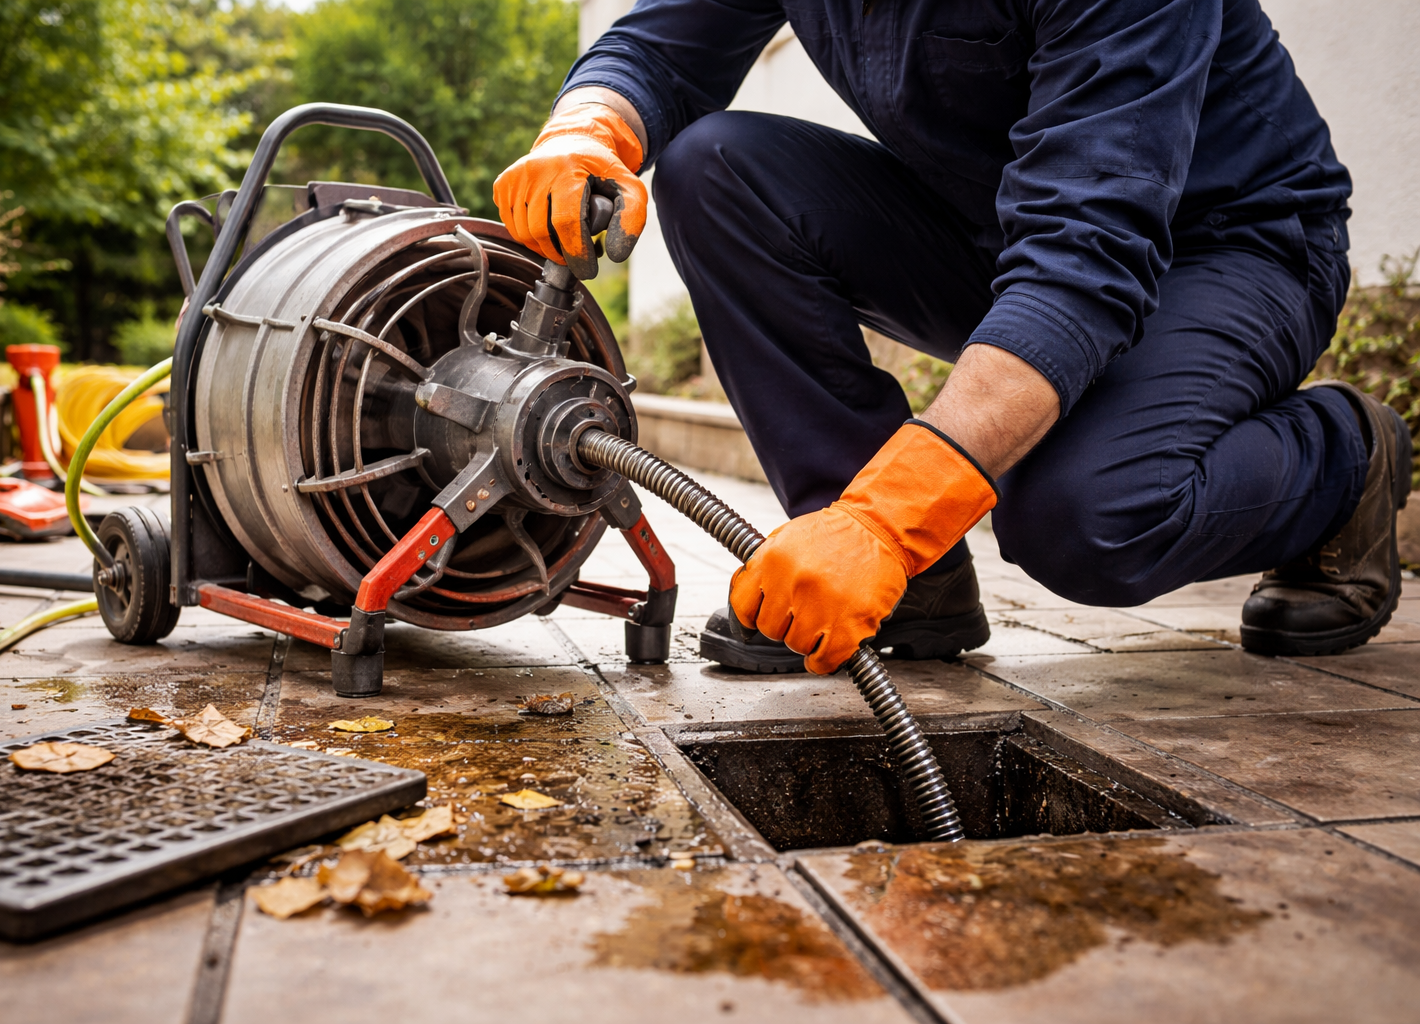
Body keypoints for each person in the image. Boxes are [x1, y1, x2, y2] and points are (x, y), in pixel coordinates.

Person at [494, 0, 1412, 676]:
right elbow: (664, 43)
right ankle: (906, 583)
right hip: (1009, 227)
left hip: (1229, 243)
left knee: (1083, 521)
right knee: (716, 170)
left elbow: (1086, 252)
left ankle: (1344, 461)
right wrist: (587, 129)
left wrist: (892, 518)